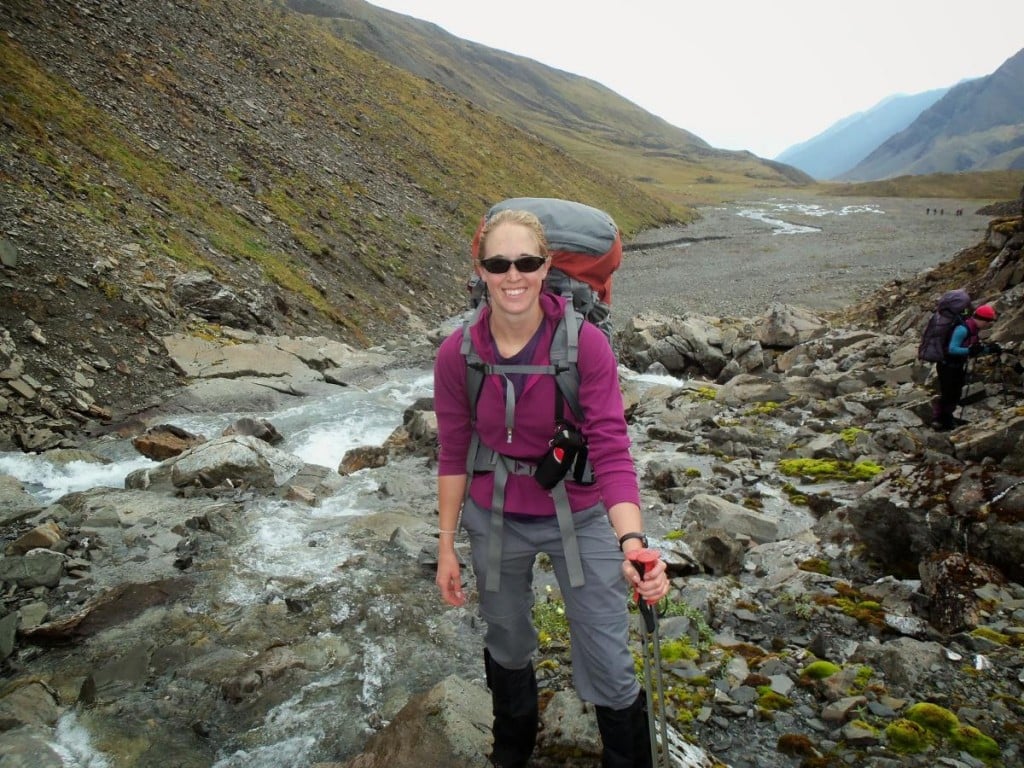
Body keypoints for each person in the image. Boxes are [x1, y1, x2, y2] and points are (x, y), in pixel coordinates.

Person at [433, 208, 669, 768]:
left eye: (527, 262)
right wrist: (445, 545)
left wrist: (632, 543)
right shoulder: (457, 354)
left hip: (582, 516)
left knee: (609, 658)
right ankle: (512, 752)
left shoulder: (584, 345)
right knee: (507, 641)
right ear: (480, 272)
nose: (513, 275)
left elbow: (611, 448)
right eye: (499, 263)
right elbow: (452, 453)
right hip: (494, 518)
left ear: (545, 268)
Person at [931, 303, 999, 430]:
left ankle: (947, 418)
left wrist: (989, 350)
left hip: (957, 366)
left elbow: (974, 349)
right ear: (981, 319)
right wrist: (969, 351)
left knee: (956, 393)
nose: (988, 325)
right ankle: (938, 420)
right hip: (946, 365)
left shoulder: (974, 330)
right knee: (948, 393)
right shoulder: (962, 329)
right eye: (987, 322)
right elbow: (952, 349)